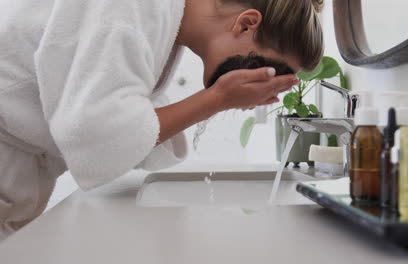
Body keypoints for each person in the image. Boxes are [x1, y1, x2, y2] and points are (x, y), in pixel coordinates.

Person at [0, 0, 324, 239]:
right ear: (246, 24)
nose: (268, 85)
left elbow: (128, 124)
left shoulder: (164, 23)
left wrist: (217, 100)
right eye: (274, 71)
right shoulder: (134, 8)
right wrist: (217, 99)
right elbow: (95, 133)